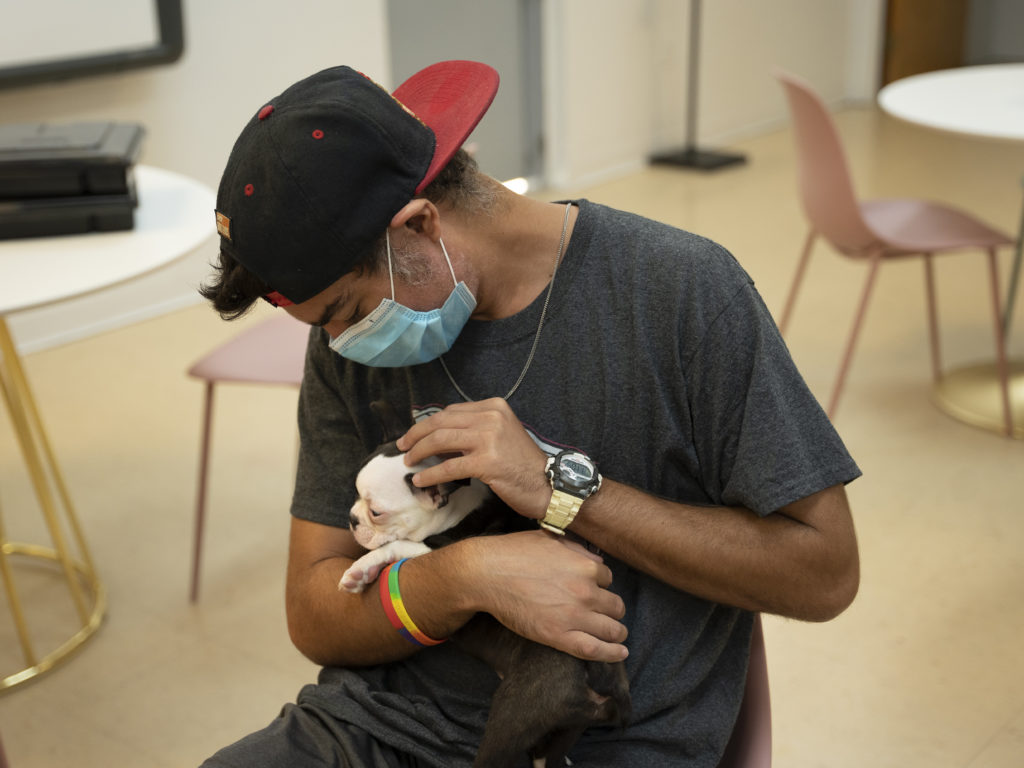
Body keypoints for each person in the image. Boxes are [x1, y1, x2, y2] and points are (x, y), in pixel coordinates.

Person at [199, 60, 860, 768]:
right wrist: (464, 578)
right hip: (375, 728)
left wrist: (561, 490)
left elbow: (824, 574)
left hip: (597, 739)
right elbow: (314, 613)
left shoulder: (680, 294)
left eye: (346, 313)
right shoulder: (348, 350)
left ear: (419, 225)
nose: (339, 346)